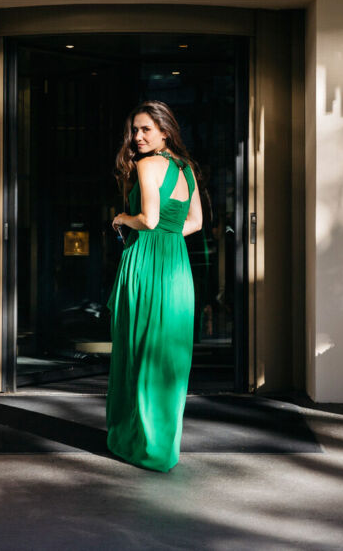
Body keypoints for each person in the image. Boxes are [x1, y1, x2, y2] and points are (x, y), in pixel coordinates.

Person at [106, 100, 203, 472]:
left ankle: (141, 443)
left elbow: (148, 219)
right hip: (177, 268)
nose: (138, 136)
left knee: (140, 351)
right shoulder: (186, 169)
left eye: (146, 129)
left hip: (146, 264)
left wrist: (121, 218)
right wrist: (169, 236)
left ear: (165, 131)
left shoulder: (147, 166)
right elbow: (193, 222)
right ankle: (164, 446)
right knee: (169, 356)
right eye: (134, 129)